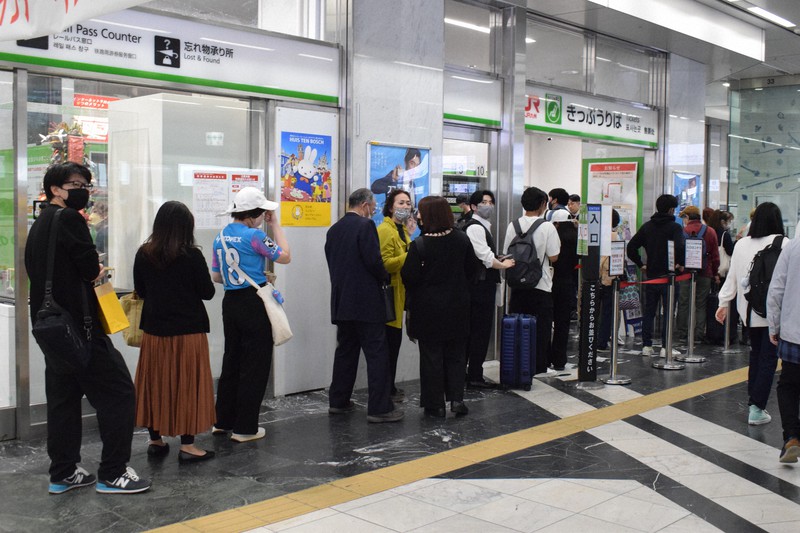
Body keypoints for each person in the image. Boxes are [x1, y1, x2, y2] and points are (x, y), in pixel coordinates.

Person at [25, 162, 151, 494]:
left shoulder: (40, 224)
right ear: (55, 188)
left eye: (87, 184)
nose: (84, 190)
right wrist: (96, 266)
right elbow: (88, 268)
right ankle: (114, 472)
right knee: (119, 393)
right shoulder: (69, 219)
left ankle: (63, 473)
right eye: (77, 183)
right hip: (81, 328)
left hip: (51, 327)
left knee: (63, 399)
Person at [133, 201, 216, 463]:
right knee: (188, 385)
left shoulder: (143, 253)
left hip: (155, 331)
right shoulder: (191, 255)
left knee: (155, 383)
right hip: (188, 332)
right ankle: (188, 446)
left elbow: (142, 291)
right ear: (186, 228)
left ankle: (155, 440)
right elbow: (208, 292)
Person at [211, 187, 292, 442]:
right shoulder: (255, 236)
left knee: (232, 361)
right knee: (255, 365)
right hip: (253, 303)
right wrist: (275, 224)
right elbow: (286, 257)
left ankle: (222, 421)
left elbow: (216, 276)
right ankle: (245, 428)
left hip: (231, 303)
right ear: (255, 214)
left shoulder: (220, 237)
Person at [325, 188, 404, 423]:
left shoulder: (334, 229)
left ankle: (338, 401)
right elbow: (374, 261)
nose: (373, 210)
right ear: (365, 205)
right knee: (377, 354)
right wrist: (384, 278)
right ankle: (379, 408)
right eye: (373, 206)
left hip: (343, 302)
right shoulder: (365, 226)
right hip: (367, 303)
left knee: (345, 352)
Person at [402, 196, 480, 418]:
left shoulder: (420, 244)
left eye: (421, 212)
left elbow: (409, 276)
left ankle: (434, 404)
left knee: (431, 356)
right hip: (458, 307)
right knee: (456, 355)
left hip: (428, 311)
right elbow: (473, 272)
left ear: (429, 216)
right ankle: (457, 400)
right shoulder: (462, 240)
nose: (417, 215)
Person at [716, 202, 787, 426]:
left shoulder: (741, 244)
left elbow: (733, 277)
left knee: (756, 355)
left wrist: (723, 302)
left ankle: (754, 403)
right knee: (768, 359)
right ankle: (757, 407)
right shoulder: (784, 243)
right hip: (773, 311)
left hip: (747, 309)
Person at [502, 187, 560, 374]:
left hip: (517, 285)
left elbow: (506, 255)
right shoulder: (547, 226)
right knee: (541, 329)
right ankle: (538, 366)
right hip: (540, 285)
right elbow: (554, 256)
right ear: (543, 204)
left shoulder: (513, 225)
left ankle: (519, 363)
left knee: (518, 327)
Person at [464, 190, 515, 388]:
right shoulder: (475, 227)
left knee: (477, 331)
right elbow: (484, 258)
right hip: (478, 289)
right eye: (484, 202)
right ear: (474, 207)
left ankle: (472, 373)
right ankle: (474, 375)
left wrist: (499, 259)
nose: (489, 205)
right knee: (479, 331)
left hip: (481, 287)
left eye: (491, 202)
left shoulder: (483, 226)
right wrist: (504, 265)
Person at [627, 194, 685, 358]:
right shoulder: (674, 228)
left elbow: (631, 247)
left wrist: (641, 264)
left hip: (651, 276)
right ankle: (666, 347)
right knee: (668, 312)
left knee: (649, 312)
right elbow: (680, 246)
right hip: (670, 277)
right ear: (671, 209)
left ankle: (647, 346)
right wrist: (679, 263)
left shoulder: (647, 226)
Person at [376, 189, 414, 403]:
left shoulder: (402, 230)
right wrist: (409, 255)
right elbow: (384, 263)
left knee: (394, 345)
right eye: (400, 203)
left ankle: (389, 386)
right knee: (389, 345)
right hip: (389, 296)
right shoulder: (385, 230)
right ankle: (385, 388)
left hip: (401, 295)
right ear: (390, 206)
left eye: (408, 203)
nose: (405, 207)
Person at [767, 235, 800, 464]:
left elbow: (776, 288)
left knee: (788, 385)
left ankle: (792, 437)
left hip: (794, 330)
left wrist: (774, 325)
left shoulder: (794, 246)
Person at [674, 205, 720, 344]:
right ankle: (698, 334)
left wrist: (680, 266)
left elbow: (677, 253)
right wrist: (714, 272)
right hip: (705, 273)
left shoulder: (683, 231)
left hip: (686, 274)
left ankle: (682, 333)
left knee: (683, 303)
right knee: (701, 304)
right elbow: (715, 256)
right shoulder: (710, 231)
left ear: (687, 217)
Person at [548, 210, 575, 371]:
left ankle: (544, 359)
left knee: (546, 323)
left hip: (550, 283)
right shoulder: (576, 238)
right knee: (562, 324)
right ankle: (559, 360)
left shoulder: (553, 238)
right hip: (567, 284)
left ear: (556, 223)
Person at [709, 209, 738, 344]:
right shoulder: (724, 234)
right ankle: (724, 334)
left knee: (712, 302)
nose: (729, 224)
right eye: (728, 221)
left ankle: (712, 332)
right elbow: (731, 251)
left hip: (711, 271)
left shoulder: (709, 231)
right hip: (723, 272)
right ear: (722, 221)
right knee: (724, 302)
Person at [597, 209, 622, 352]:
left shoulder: (594, 234)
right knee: (607, 311)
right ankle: (602, 341)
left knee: (593, 310)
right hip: (608, 277)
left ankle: (592, 339)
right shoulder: (614, 235)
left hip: (594, 276)